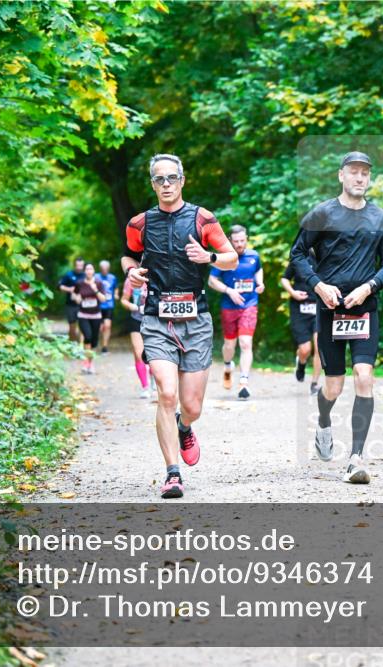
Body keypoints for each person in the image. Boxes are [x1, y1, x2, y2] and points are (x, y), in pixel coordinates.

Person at [121, 153, 238, 499]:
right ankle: (172, 473)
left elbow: (231, 258)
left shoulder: (203, 218)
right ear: (153, 184)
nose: (166, 184)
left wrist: (210, 257)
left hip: (196, 320)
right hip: (157, 318)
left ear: (182, 180)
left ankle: (184, 427)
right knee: (167, 393)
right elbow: (127, 255)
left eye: (172, 177)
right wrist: (131, 271)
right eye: (160, 179)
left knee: (192, 406)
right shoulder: (140, 223)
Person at [290, 151, 383, 484]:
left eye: (365, 172)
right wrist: (318, 285)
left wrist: (368, 287)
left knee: (364, 376)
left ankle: (356, 458)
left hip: (365, 308)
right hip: (330, 310)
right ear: (341, 175)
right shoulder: (322, 213)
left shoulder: (381, 218)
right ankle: (324, 420)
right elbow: (297, 255)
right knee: (334, 386)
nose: (359, 177)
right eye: (353, 172)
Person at [208, 225, 264, 400]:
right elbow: (211, 280)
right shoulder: (225, 258)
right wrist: (229, 291)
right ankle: (227, 365)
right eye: (236, 241)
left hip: (249, 305)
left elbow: (258, 270)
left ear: (246, 239)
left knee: (246, 343)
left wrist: (260, 283)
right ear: (230, 240)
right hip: (229, 307)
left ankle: (243, 382)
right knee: (229, 345)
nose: (239, 244)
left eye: (242, 240)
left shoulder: (254, 256)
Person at [282, 254, 322, 394]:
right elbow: (285, 278)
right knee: (305, 349)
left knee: (320, 347)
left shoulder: (327, 257)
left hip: (319, 308)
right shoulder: (300, 258)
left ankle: (314, 384)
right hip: (299, 309)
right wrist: (292, 292)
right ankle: (301, 362)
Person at [120, 278, 154, 399]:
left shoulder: (158, 275)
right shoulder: (131, 279)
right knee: (139, 354)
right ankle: (145, 387)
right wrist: (131, 306)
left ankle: (153, 377)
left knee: (154, 355)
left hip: (155, 321)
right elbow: (124, 300)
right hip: (136, 320)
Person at [73, 263, 109, 374]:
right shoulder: (79, 283)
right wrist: (77, 298)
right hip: (83, 315)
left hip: (96, 315)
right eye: (87, 269)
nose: (89, 271)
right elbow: (74, 295)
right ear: (85, 271)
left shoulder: (99, 283)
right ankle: (86, 363)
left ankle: (90, 362)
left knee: (94, 341)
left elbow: (103, 299)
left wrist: (95, 290)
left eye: (91, 269)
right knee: (87, 337)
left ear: (93, 271)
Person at [58, 258, 85, 342]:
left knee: (83, 325)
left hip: (83, 305)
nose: (79, 267)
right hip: (71, 305)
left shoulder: (85, 275)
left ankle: (82, 346)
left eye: (81, 265)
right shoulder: (69, 275)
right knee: (72, 326)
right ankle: (72, 344)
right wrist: (70, 289)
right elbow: (59, 286)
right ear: (74, 265)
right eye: (77, 265)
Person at [97, 260, 118, 354]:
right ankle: (96, 343)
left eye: (106, 269)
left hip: (109, 305)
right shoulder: (96, 277)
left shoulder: (112, 277)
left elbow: (116, 288)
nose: (104, 270)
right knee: (100, 328)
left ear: (108, 269)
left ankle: (104, 347)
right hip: (98, 305)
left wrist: (116, 294)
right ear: (100, 269)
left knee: (107, 326)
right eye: (103, 269)